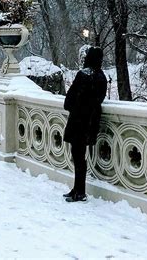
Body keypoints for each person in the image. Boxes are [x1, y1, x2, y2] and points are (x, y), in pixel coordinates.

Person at [63, 46, 108, 202]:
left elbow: (69, 99)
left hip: (78, 120)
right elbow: (99, 99)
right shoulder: (101, 77)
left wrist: (76, 107)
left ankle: (79, 191)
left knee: (78, 157)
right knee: (80, 157)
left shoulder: (83, 75)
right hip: (91, 121)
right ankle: (77, 189)